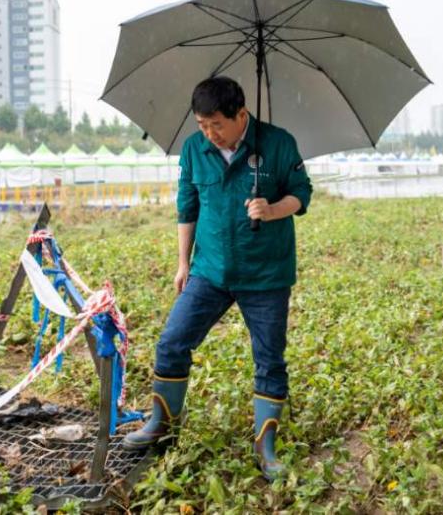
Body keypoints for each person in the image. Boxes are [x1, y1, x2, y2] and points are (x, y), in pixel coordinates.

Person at [123, 76, 313, 481]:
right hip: (210, 270)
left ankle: (267, 446)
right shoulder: (195, 150)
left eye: (217, 125)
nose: (209, 134)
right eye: (201, 125)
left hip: (266, 274)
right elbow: (187, 206)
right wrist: (182, 263)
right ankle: (162, 425)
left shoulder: (278, 143)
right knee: (172, 342)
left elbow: (302, 193)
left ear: (241, 114)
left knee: (269, 359)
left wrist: (273, 209)